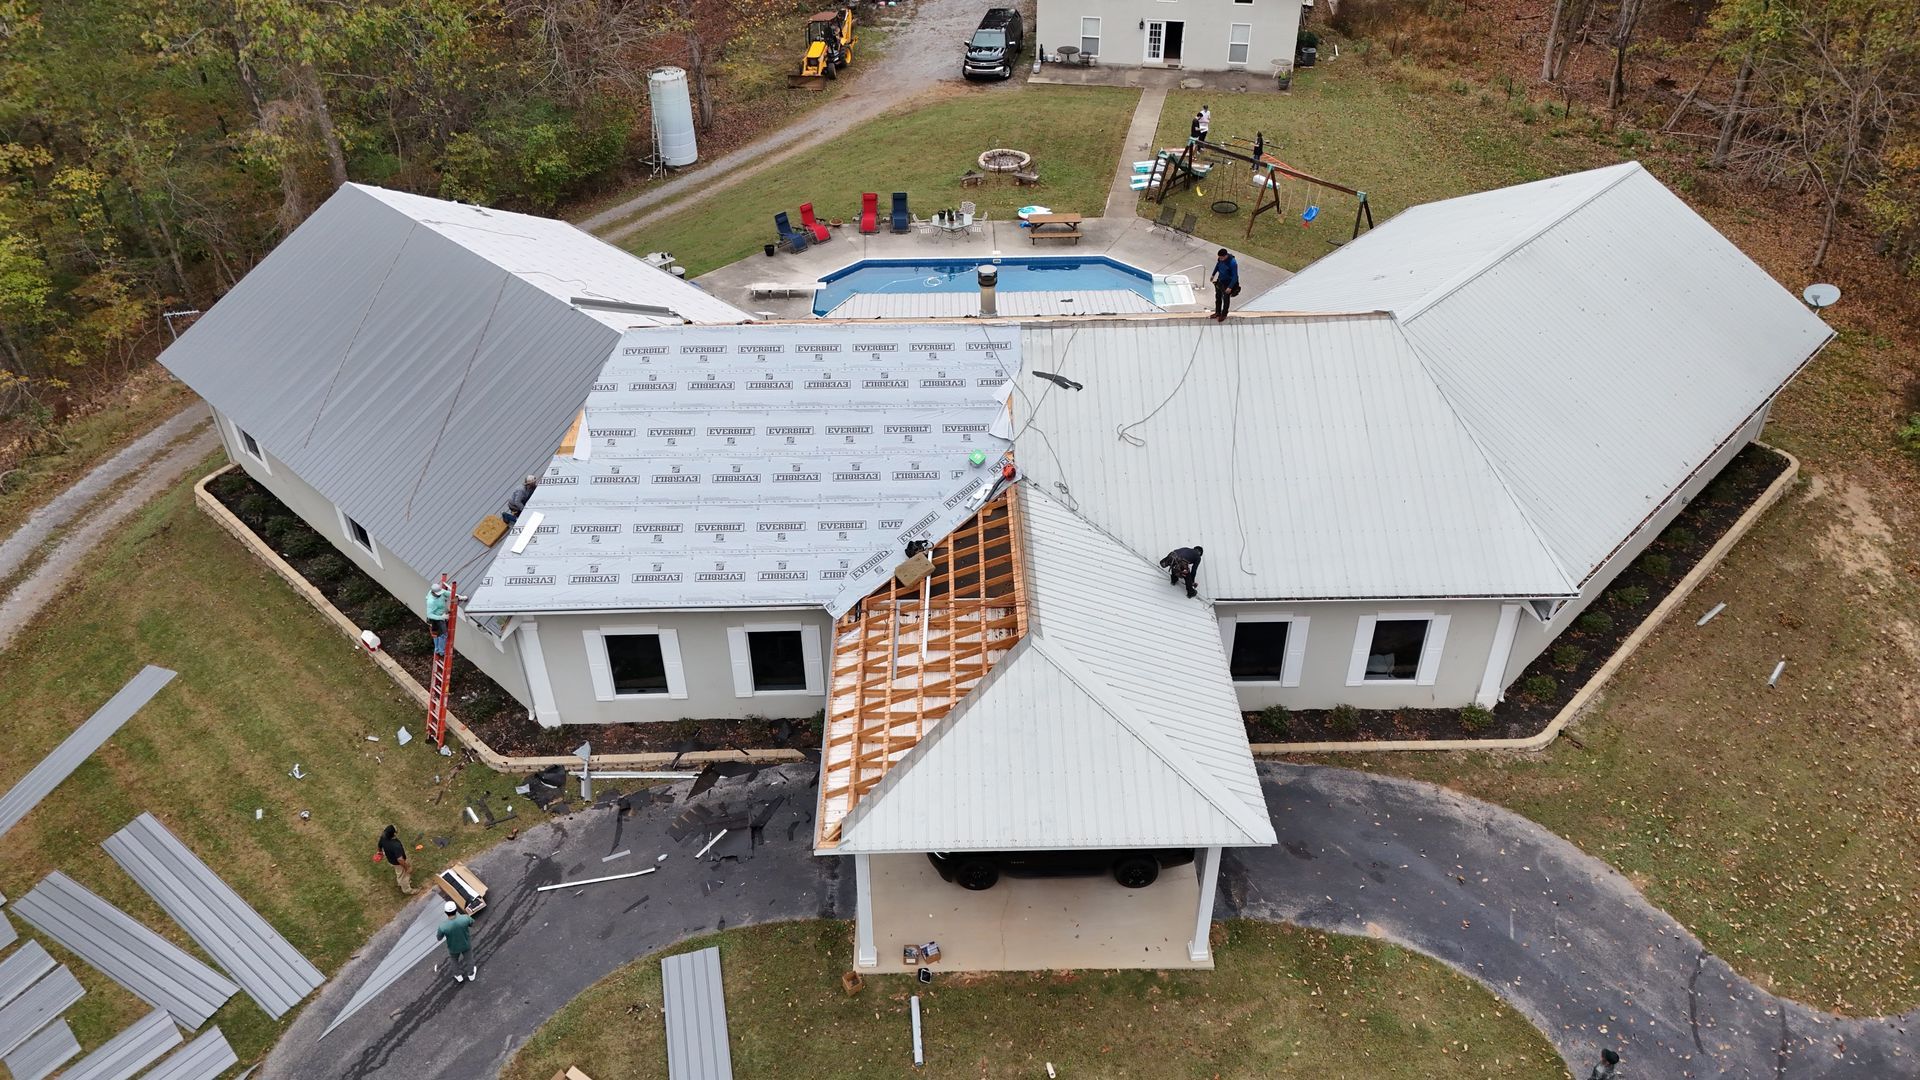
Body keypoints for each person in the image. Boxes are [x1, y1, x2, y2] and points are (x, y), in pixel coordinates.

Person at [437, 900, 477, 983]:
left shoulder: (443, 926)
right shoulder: (465, 918)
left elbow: (439, 938)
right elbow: (472, 923)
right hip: (465, 944)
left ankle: (458, 976)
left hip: (453, 947)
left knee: (454, 960)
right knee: (469, 959)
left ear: (445, 912)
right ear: (456, 910)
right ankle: (471, 975)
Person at [377, 825, 414, 895]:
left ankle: (400, 882)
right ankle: (407, 890)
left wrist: (379, 852)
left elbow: (379, 846)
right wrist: (407, 868)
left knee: (399, 873)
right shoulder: (395, 845)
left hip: (391, 859)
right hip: (398, 863)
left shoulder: (383, 837)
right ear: (393, 834)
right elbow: (400, 860)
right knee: (403, 875)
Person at [1210, 248, 1240, 321]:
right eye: (1219, 257)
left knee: (1226, 299)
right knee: (1218, 297)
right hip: (1220, 281)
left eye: (1222, 258)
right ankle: (1217, 312)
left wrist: (1230, 287)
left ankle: (1224, 314)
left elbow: (1235, 276)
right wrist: (1213, 274)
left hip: (1227, 283)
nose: (1220, 259)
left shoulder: (1232, 263)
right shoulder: (1220, 259)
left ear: (1226, 256)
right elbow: (1217, 265)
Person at [424, 580, 452, 654]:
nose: (439, 595)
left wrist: (459, 597)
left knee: (436, 634)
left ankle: (437, 649)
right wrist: (442, 617)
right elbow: (429, 614)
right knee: (443, 634)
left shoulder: (440, 591)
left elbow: (450, 594)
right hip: (436, 619)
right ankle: (441, 651)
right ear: (433, 593)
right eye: (437, 594)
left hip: (440, 617)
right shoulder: (431, 601)